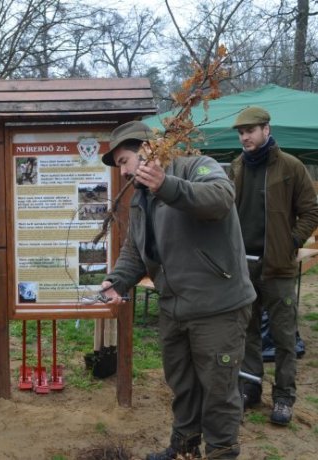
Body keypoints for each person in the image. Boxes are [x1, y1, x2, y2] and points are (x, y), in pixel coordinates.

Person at [99, 121, 255, 459]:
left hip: (218, 307)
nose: (122, 172)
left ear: (146, 149)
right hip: (174, 307)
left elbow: (220, 198)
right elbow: (137, 249)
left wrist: (167, 185)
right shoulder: (140, 198)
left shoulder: (194, 167)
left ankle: (222, 451)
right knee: (182, 384)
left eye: (124, 160)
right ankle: (184, 448)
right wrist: (118, 279)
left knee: (218, 389)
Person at [229, 106, 318, 425]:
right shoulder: (236, 167)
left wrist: (290, 242)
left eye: (250, 130)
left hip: (278, 268)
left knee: (282, 337)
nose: (244, 137)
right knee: (248, 332)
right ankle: (250, 390)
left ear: (266, 130)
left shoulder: (291, 167)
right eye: (241, 132)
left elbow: (311, 211)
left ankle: (283, 398)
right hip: (244, 267)